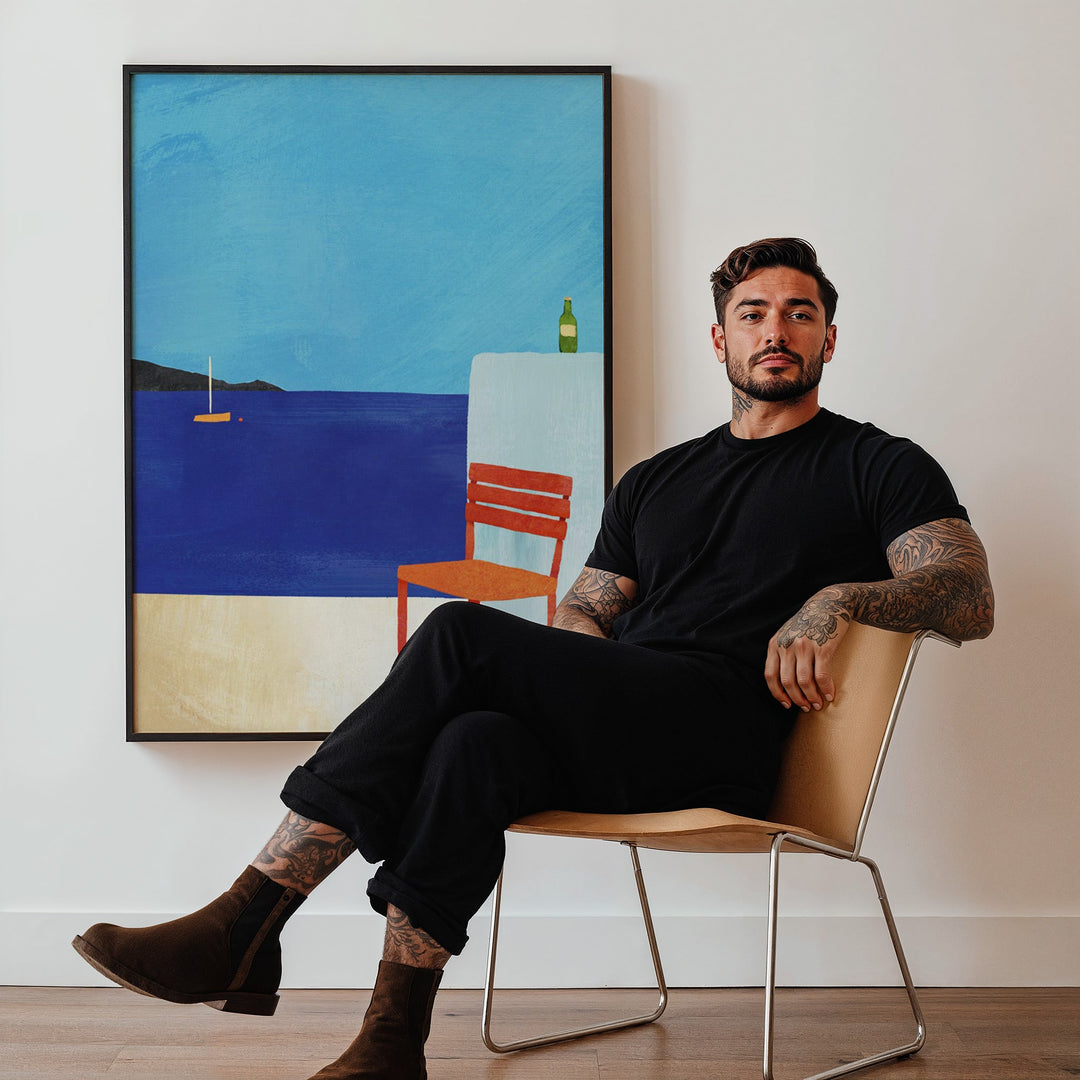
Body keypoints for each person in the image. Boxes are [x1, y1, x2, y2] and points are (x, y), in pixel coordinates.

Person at [72, 238, 994, 1079]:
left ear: (831, 337)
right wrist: (574, 657)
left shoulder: (878, 465)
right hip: (625, 717)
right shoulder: (656, 480)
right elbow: (585, 607)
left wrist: (839, 598)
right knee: (477, 740)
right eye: (753, 314)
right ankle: (392, 1042)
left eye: (799, 312)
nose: (776, 331)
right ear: (719, 342)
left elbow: (967, 593)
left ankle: (245, 918)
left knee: (459, 633)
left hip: (728, 736)